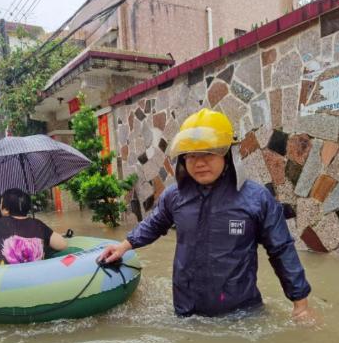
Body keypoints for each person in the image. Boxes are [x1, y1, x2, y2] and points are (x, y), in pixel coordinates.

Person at [98, 109, 312, 320]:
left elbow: (282, 249)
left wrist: (300, 305)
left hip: (241, 314)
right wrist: (123, 246)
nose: (199, 163)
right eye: (191, 156)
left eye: (208, 154)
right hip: (186, 311)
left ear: (227, 153)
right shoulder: (175, 196)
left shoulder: (257, 199)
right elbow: (154, 224)